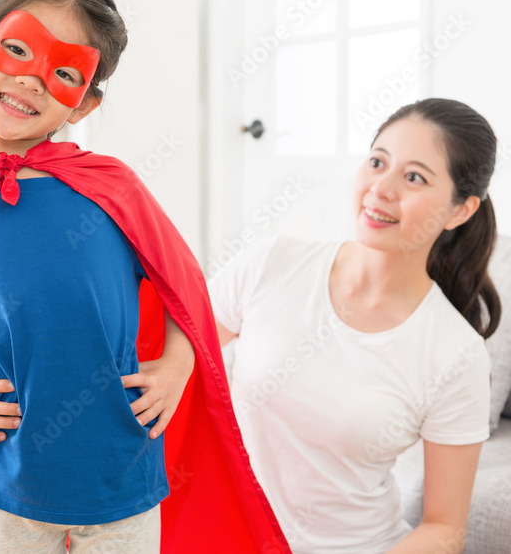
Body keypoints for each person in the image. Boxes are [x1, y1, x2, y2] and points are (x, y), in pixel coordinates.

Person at [0, 0, 289, 553]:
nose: (32, 79)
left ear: (83, 104)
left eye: (63, 72)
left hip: (124, 477)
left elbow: (187, 289)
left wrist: (179, 364)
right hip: (10, 484)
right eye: (17, 49)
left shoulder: (111, 189)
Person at [209, 98, 499, 553]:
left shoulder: (456, 354)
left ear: (460, 211)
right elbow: (178, 354)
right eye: (377, 162)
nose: (380, 189)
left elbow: (444, 529)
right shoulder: (272, 262)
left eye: (414, 177)